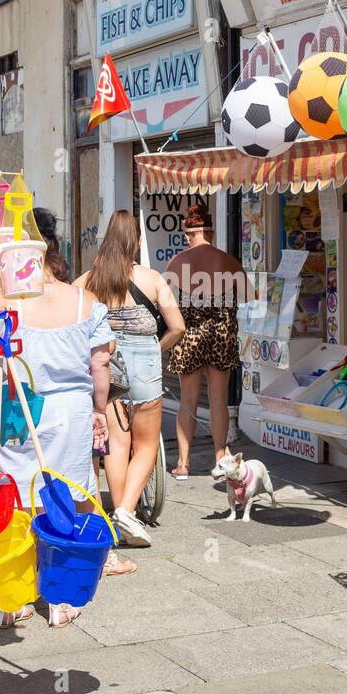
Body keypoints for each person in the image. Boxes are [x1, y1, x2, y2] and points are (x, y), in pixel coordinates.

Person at [0, 209, 115, 628]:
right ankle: (60, 594)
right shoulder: (85, 301)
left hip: (19, 409)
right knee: (70, 496)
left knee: (20, 499)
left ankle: (17, 594)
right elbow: (100, 366)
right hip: (71, 411)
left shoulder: (4, 300)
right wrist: (101, 410)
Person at [77, 210, 185, 550]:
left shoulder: (88, 281)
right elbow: (178, 326)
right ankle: (125, 511)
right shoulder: (152, 279)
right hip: (145, 368)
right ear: (136, 242)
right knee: (147, 445)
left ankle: (116, 522)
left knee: (117, 446)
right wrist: (156, 346)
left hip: (106, 367)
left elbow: (72, 320)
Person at [165, 202, 246, 479]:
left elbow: (164, 301)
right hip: (222, 334)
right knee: (219, 400)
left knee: (188, 399)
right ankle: (220, 459)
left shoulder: (178, 262)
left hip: (191, 334)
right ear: (211, 232)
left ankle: (183, 464)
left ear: (189, 233)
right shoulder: (229, 261)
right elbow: (246, 297)